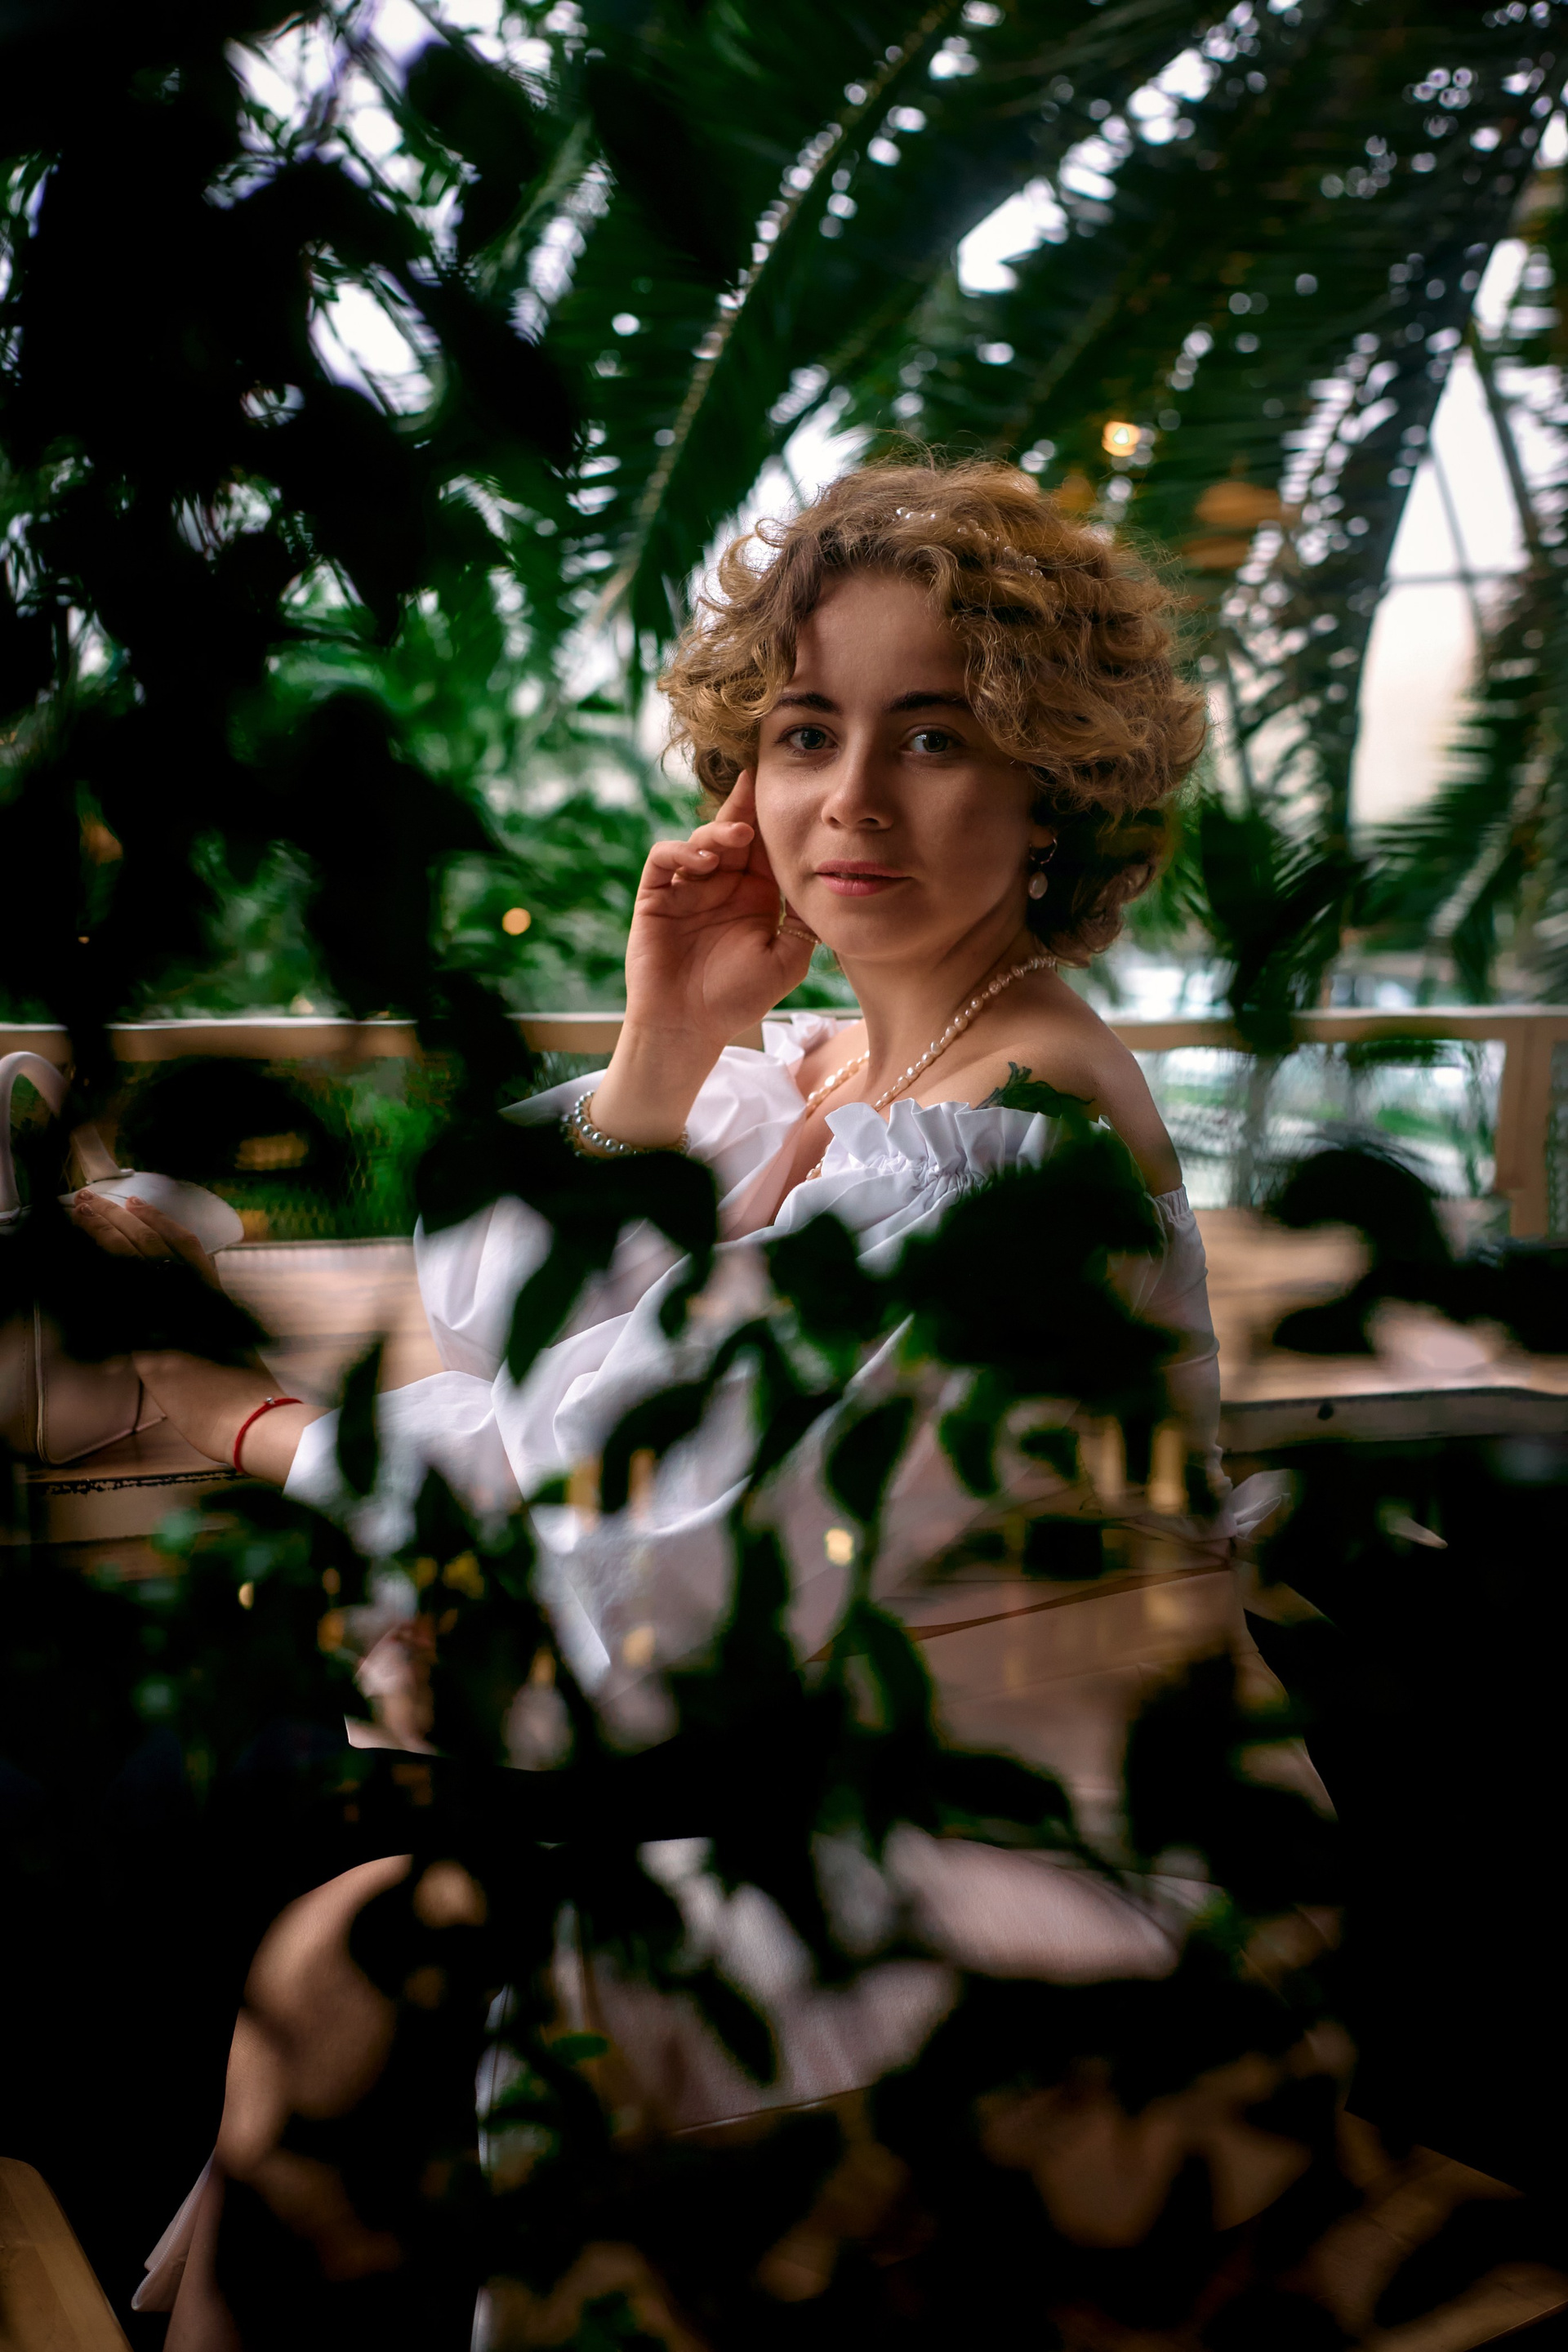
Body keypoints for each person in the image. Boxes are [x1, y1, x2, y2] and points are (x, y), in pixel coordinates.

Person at [83, 461, 1268, 2340]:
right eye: (805, 731)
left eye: (935, 734)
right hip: (801, 1775)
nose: (851, 797)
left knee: (272, 1894)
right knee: (257, 1877)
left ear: (1057, 785)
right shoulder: (848, 1061)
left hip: (1026, 1868)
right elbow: (508, 1318)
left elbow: (622, 1555)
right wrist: (667, 1035)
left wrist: (220, 1414)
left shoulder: (1007, 1134)